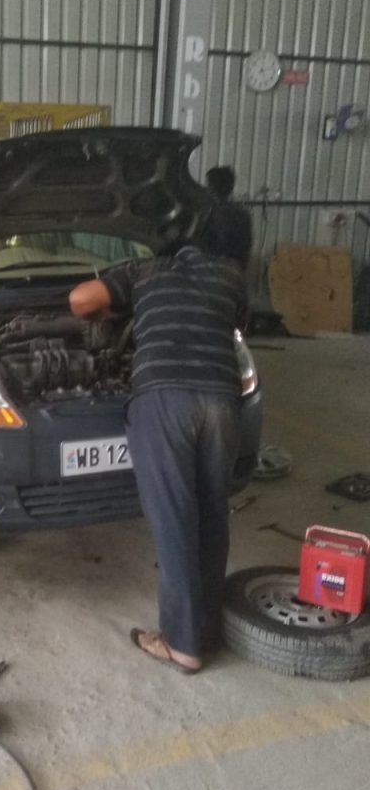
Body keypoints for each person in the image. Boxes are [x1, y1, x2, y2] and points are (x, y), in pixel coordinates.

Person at [68, 209, 251, 674]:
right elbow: (232, 328)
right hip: (221, 399)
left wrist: (112, 310)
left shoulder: (146, 270)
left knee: (174, 520)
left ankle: (182, 645)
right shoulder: (231, 276)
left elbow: (79, 298)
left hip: (164, 400)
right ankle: (205, 629)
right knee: (211, 514)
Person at [206, 165, 253, 270]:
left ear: (211, 188)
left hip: (212, 268)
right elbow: (246, 248)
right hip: (234, 269)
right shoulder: (243, 214)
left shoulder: (210, 212)